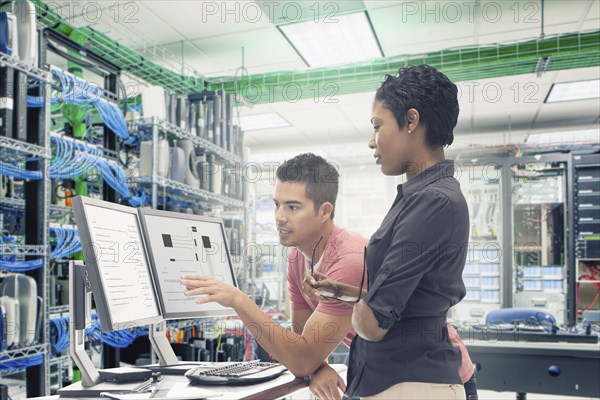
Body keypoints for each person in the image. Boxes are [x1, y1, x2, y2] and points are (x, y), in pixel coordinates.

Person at [304, 64, 472, 399]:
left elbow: (372, 324)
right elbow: (401, 302)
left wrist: (357, 311)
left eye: (377, 126)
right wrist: (341, 290)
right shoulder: (418, 196)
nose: (371, 142)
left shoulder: (432, 202)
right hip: (393, 381)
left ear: (411, 121)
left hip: (411, 385)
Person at [180, 153, 367, 400]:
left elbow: (300, 359)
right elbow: (298, 343)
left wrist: (239, 301)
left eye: (292, 207)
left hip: (412, 372)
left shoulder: (350, 260)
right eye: (276, 204)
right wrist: (318, 367)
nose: (279, 216)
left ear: (324, 211)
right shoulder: (297, 257)